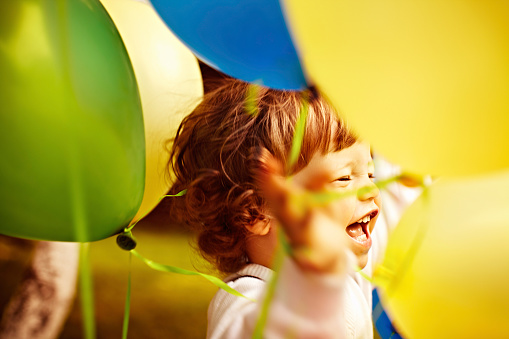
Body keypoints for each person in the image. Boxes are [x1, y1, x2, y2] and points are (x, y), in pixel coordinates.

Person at [168, 77, 417, 338]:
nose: (370, 190)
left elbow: (397, 201)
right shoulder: (244, 302)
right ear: (257, 211)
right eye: (343, 178)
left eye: (371, 173)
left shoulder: (347, 263)